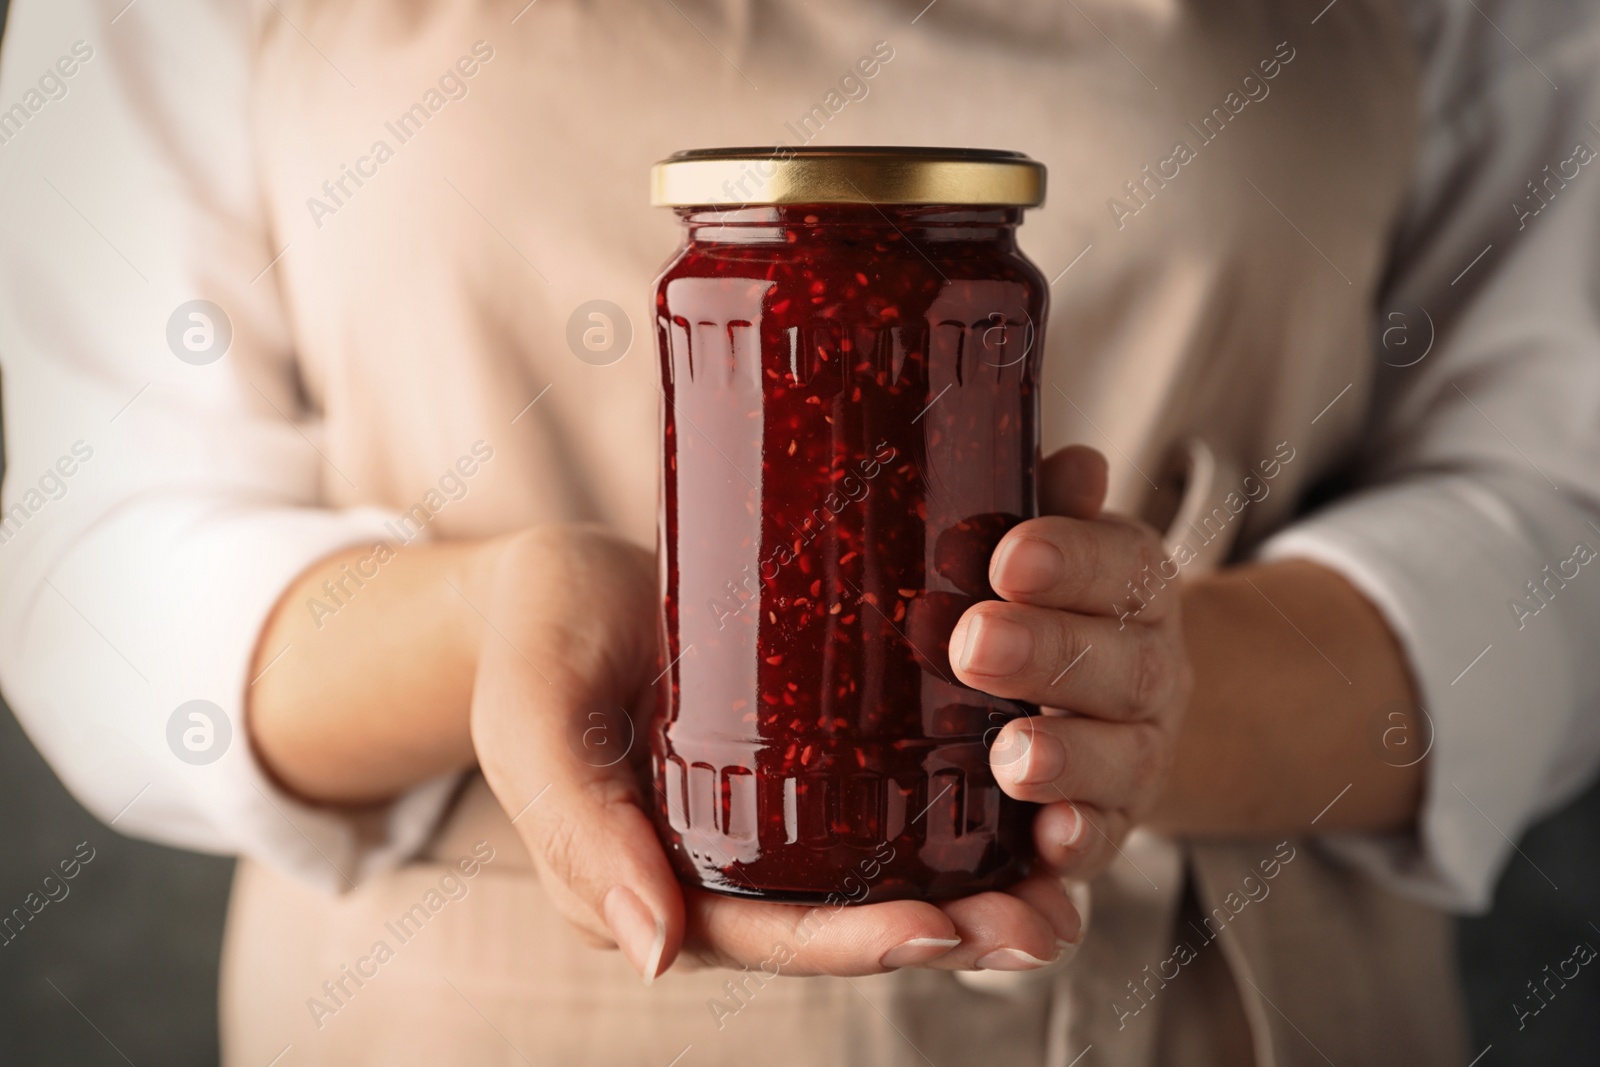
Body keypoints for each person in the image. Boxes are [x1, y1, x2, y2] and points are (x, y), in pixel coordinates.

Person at [1, 0, 1597, 1063]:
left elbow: (1564, 524)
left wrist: (1165, 690)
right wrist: (495, 619)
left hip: (1210, 993)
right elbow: (94, 563)